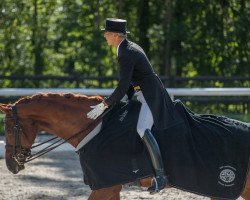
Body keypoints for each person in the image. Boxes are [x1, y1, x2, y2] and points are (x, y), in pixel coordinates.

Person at [87, 18, 178, 193]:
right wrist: (122, 102)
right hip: (141, 94)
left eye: (107, 34)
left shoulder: (126, 52)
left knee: (142, 129)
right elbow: (129, 82)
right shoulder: (128, 47)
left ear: (115, 35)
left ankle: (160, 176)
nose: (105, 37)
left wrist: (106, 104)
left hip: (150, 97)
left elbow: (122, 86)